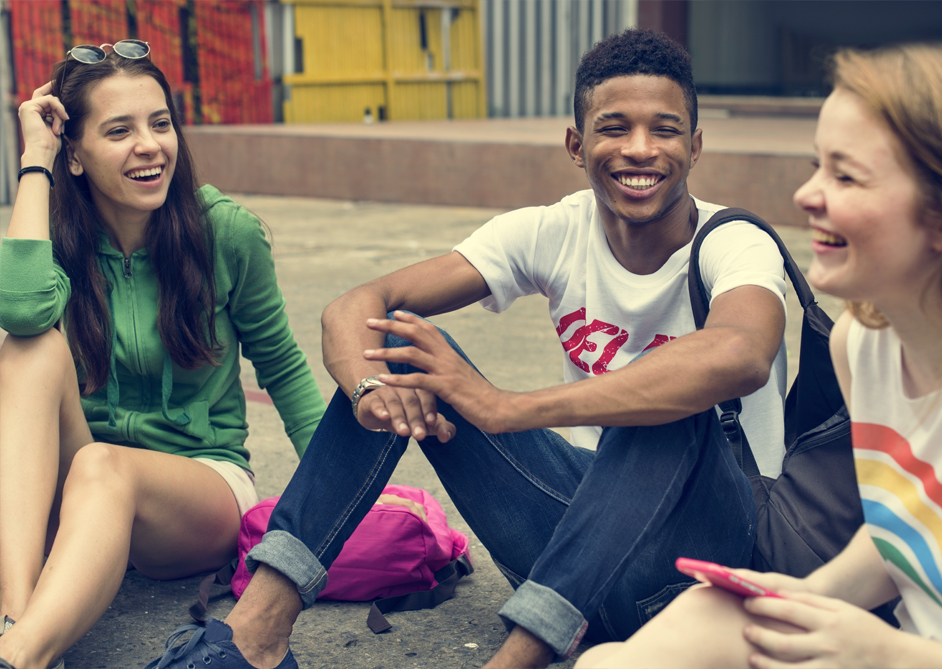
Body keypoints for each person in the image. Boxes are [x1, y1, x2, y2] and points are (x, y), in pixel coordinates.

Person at [147, 28, 788, 669]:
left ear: (696, 146)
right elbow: (356, 306)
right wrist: (371, 394)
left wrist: (508, 407)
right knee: (402, 349)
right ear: (577, 144)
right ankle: (255, 636)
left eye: (665, 130)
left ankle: (517, 657)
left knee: (668, 397)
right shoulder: (552, 231)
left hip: (706, 568)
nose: (640, 149)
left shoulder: (733, 243)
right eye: (614, 128)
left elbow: (740, 353)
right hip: (575, 553)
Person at [574, 42, 942, 669]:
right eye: (816, 166)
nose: (806, 194)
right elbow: (902, 536)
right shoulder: (864, 347)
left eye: (845, 176)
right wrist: (797, 597)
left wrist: (886, 654)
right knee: (655, 637)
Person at [0, 42, 326, 669]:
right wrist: (34, 160)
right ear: (74, 153)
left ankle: (20, 656)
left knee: (102, 467)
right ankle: (19, 620)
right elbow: (18, 311)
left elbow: (283, 368)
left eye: (160, 123)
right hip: (86, 480)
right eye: (119, 130)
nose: (150, 145)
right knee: (31, 346)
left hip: (199, 485)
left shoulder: (224, 232)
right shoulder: (56, 238)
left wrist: (341, 498)